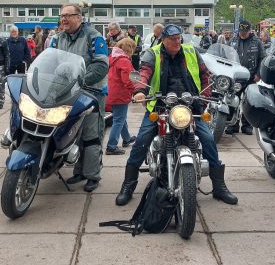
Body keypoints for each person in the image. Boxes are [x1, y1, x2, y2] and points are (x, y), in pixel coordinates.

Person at [115, 24, 237, 206]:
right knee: (141, 140)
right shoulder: (153, 53)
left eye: (179, 38)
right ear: (163, 40)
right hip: (160, 105)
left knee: (208, 139)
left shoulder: (191, 51)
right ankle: (128, 186)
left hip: (190, 105)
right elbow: (144, 73)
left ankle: (219, 186)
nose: (177, 42)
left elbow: (205, 75)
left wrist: (205, 97)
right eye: (172, 39)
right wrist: (140, 91)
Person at [51, 4, 109, 192]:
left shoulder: (94, 37)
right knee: (74, 134)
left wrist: (80, 80)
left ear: (79, 17)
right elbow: (50, 61)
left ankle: (92, 175)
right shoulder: (58, 38)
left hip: (92, 92)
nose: (64, 19)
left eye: (68, 15)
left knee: (91, 135)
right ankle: (80, 172)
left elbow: (101, 66)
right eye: (62, 16)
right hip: (68, 93)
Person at [229, 20, 265, 135]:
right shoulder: (233, 41)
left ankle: (247, 125)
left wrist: (259, 74)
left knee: (249, 102)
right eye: (241, 31)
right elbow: (226, 56)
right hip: (235, 76)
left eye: (244, 32)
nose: (242, 34)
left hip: (251, 77)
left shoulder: (257, 42)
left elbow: (262, 58)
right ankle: (233, 124)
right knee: (233, 100)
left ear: (249, 31)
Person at [105, 38, 137, 155]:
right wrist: (134, 91)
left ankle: (127, 139)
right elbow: (127, 80)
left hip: (112, 92)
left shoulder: (114, 58)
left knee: (120, 118)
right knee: (118, 120)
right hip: (120, 94)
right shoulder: (124, 60)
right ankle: (111, 146)